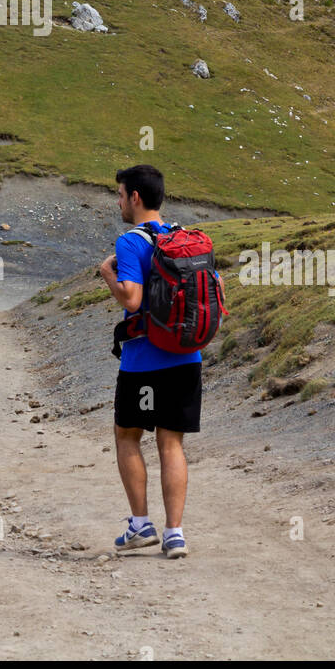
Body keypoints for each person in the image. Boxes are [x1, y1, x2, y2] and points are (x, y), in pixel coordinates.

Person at [99, 164, 216, 558]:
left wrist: (107, 276)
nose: (117, 201)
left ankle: (140, 525)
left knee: (128, 436)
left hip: (144, 362)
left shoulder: (130, 241)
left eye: (119, 194)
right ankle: (175, 534)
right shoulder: (182, 237)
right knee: (171, 444)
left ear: (135, 197)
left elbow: (131, 299)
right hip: (187, 357)